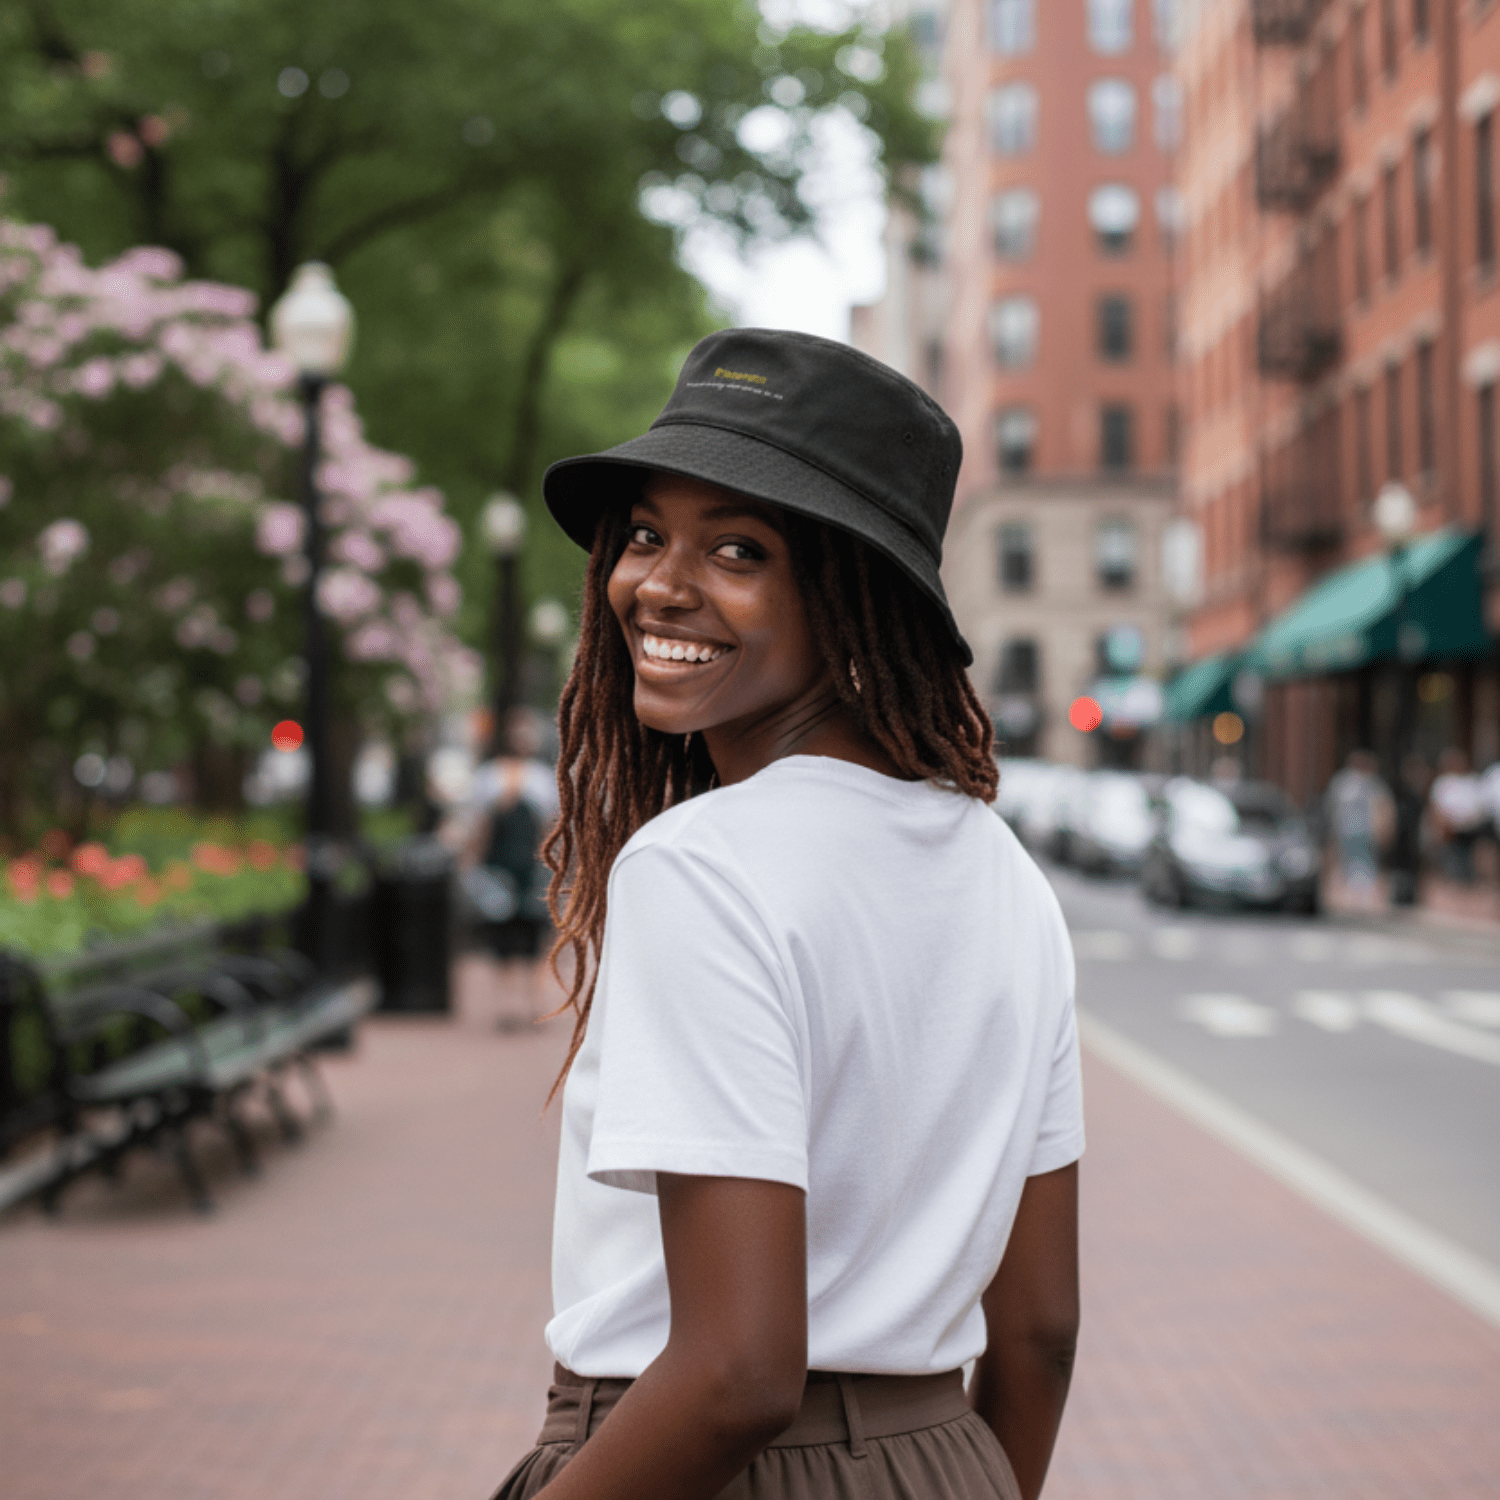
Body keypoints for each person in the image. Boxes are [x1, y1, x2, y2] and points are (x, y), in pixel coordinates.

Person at [490, 330, 1083, 1500]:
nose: (659, 582)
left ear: (853, 598)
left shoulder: (701, 865)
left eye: (739, 550)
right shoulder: (1001, 871)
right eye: (648, 533)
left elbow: (738, 1376)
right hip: (953, 1462)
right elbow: (1041, 1332)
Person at [462, 707, 561, 1029]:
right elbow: (480, 825)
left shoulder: (543, 778)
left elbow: (551, 825)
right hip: (499, 866)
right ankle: (506, 1005)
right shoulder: (489, 776)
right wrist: (473, 862)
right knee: (501, 935)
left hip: (533, 868)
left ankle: (535, 1001)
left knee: (536, 933)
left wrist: (556, 865)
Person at [1324, 749, 1387, 896]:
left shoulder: (1344, 782)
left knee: (1357, 864)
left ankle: (1357, 894)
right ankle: (1359, 894)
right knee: (1359, 865)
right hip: (1357, 831)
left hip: (1355, 831)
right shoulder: (1364, 782)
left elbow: (1332, 808)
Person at [1429, 747, 1488, 885]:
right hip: (1451, 831)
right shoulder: (1443, 782)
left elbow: (1480, 805)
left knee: (1471, 868)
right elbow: (1436, 808)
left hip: (1472, 830)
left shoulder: (1472, 780)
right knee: (1454, 868)